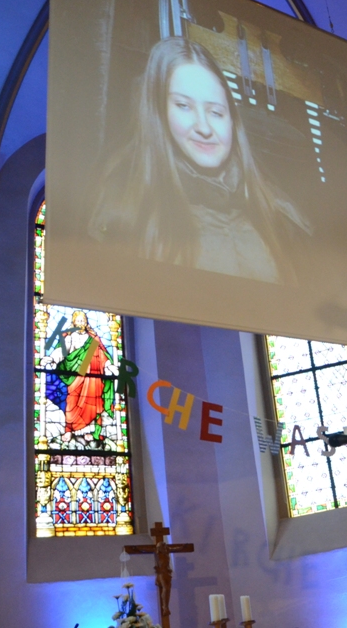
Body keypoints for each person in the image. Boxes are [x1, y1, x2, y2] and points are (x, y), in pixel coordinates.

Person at [88, 36, 310, 283]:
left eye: (215, 112)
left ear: (232, 121)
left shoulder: (280, 213)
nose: (203, 127)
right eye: (184, 106)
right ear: (159, 112)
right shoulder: (123, 211)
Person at [40, 310, 118, 443]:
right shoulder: (70, 337)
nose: (81, 323)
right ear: (74, 323)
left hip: (91, 377)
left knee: (91, 402)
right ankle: (69, 430)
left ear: (86, 323)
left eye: (83, 320)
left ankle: (88, 430)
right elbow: (62, 351)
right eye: (78, 320)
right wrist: (52, 359)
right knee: (72, 402)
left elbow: (101, 356)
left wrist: (110, 366)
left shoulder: (92, 339)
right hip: (75, 375)